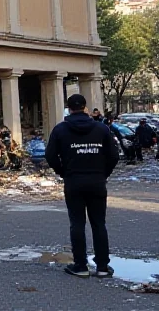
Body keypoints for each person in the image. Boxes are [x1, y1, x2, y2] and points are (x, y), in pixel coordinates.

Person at [45, 94, 119, 279]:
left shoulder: (60, 130)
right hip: (97, 181)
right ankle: (102, 266)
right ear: (85, 108)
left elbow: (50, 156)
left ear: (69, 108)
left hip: (74, 181)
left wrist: (64, 172)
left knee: (77, 223)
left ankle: (80, 265)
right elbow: (114, 155)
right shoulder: (101, 129)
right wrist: (103, 173)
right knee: (99, 224)